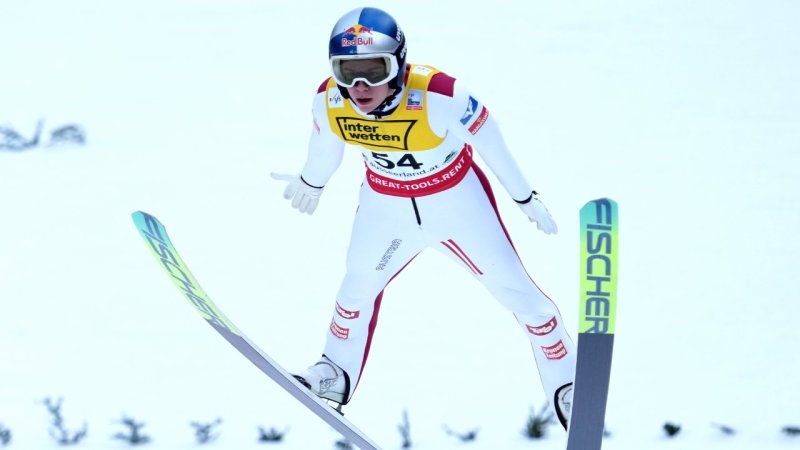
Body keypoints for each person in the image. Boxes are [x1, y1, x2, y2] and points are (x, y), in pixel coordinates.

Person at [271, 6, 576, 429]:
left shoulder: (440, 94)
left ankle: (568, 384)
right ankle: (333, 376)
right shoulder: (329, 99)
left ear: (399, 63)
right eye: (347, 71)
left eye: (374, 70)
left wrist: (524, 197)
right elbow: (325, 146)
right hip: (385, 208)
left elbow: (492, 142)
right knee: (355, 289)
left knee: (520, 295)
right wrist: (312, 181)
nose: (359, 86)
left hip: (455, 205)